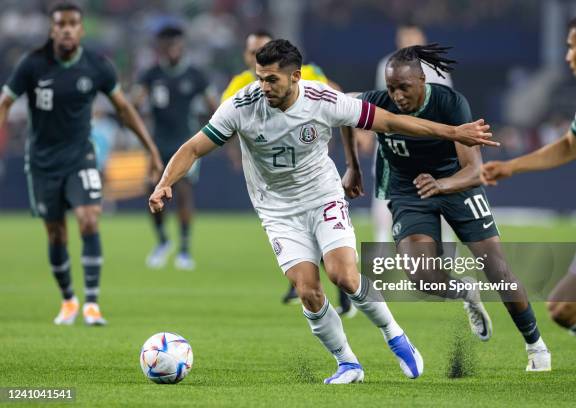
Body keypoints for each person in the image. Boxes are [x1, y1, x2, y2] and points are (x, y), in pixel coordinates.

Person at [149, 39, 495, 383]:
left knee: (343, 276)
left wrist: (453, 132)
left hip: (323, 197)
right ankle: (347, 363)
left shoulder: (323, 99)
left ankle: (396, 336)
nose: (263, 87)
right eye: (259, 78)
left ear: (296, 76)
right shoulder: (241, 106)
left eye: (272, 80)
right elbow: (194, 148)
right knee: (308, 291)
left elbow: (390, 122)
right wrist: (166, 182)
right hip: (277, 210)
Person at [342, 44, 551, 371]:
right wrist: (353, 165)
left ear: (422, 80)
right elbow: (344, 110)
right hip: (410, 193)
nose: (396, 96)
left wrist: (442, 184)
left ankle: (536, 346)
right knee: (421, 276)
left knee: (498, 271)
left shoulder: (450, 103)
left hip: (457, 186)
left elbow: (474, 170)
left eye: (404, 88)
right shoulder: (379, 101)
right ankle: (465, 292)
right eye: (391, 88)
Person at [0, 2, 163, 326]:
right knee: (56, 233)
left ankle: (91, 303)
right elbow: (5, 102)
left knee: (89, 219)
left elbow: (124, 109)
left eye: (73, 23)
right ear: (52, 29)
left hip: (80, 156)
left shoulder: (96, 66)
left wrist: (152, 150)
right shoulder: (32, 64)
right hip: (43, 161)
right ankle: (68, 300)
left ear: (81, 29)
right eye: (60, 24)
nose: (66, 29)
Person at [482, 10, 576, 388]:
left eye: (571, 48)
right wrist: (512, 167)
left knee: (563, 307)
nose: (567, 57)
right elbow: (571, 144)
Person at [220, 29, 353, 314]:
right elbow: (224, 124)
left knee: (322, 236)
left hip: (311, 171)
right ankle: (310, 285)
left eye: (261, 49)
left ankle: (342, 291)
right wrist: (234, 151)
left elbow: (339, 99)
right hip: (274, 177)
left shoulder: (309, 73)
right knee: (304, 235)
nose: (255, 55)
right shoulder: (242, 84)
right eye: (251, 51)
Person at [134, 23, 214, 271]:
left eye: (175, 45)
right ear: (160, 48)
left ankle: (185, 250)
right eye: (167, 45)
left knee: (184, 193)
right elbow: (133, 103)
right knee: (152, 190)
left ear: (182, 46)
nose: (171, 50)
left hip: (187, 144)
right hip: (157, 144)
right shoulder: (151, 74)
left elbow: (216, 106)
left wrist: (209, 132)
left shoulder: (195, 75)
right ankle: (162, 241)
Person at [372, 24, 453, 244]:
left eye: (412, 36)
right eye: (404, 37)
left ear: (422, 38)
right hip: (395, 140)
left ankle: (447, 256)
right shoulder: (387, 65)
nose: (408, 41)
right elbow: (383, 104)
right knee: (385, 195)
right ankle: (381, 251)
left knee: (442, 197)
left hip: (430, 142)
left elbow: (446, 103)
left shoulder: (436, 66)